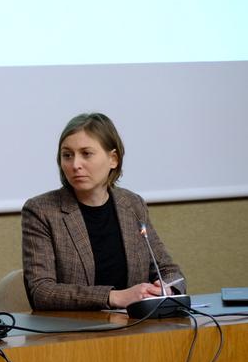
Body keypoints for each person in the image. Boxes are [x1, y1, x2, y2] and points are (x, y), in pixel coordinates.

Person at [21, 112, 186, 311]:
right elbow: (41, 291)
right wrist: (113, 297)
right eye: (67, 155)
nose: (75, 165)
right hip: (73, 332)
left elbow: (169, 271)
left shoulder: (133, 205)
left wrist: (166, 290)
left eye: (86, 154)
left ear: (113, 159)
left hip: (136, 328)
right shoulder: (42, 211)